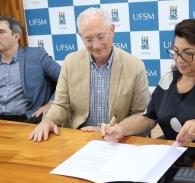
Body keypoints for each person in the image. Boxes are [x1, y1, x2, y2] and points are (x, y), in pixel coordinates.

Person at [101, 19, 195, 148]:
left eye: (188, 53)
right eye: (176, 51)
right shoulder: (168, 79)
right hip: (180, 155)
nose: (179, 59)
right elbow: (148, 119)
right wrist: (121, 128)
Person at [29, 7, 149, 142]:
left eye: (100, 37)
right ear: (80, 36)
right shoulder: (70, 62)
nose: (96, 45)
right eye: (89, 39)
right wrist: (49, 120)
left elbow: (142, 114)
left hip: (117, 140)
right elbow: (62, 104)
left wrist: (118, 128)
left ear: (112, 30)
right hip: (79, 137)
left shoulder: (135, 66)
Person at [0, 16, 61, 123]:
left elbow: (64, 79)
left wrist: (51, 104)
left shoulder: (36, 55)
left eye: (1, 32)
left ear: (16, 35)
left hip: (26, 120)